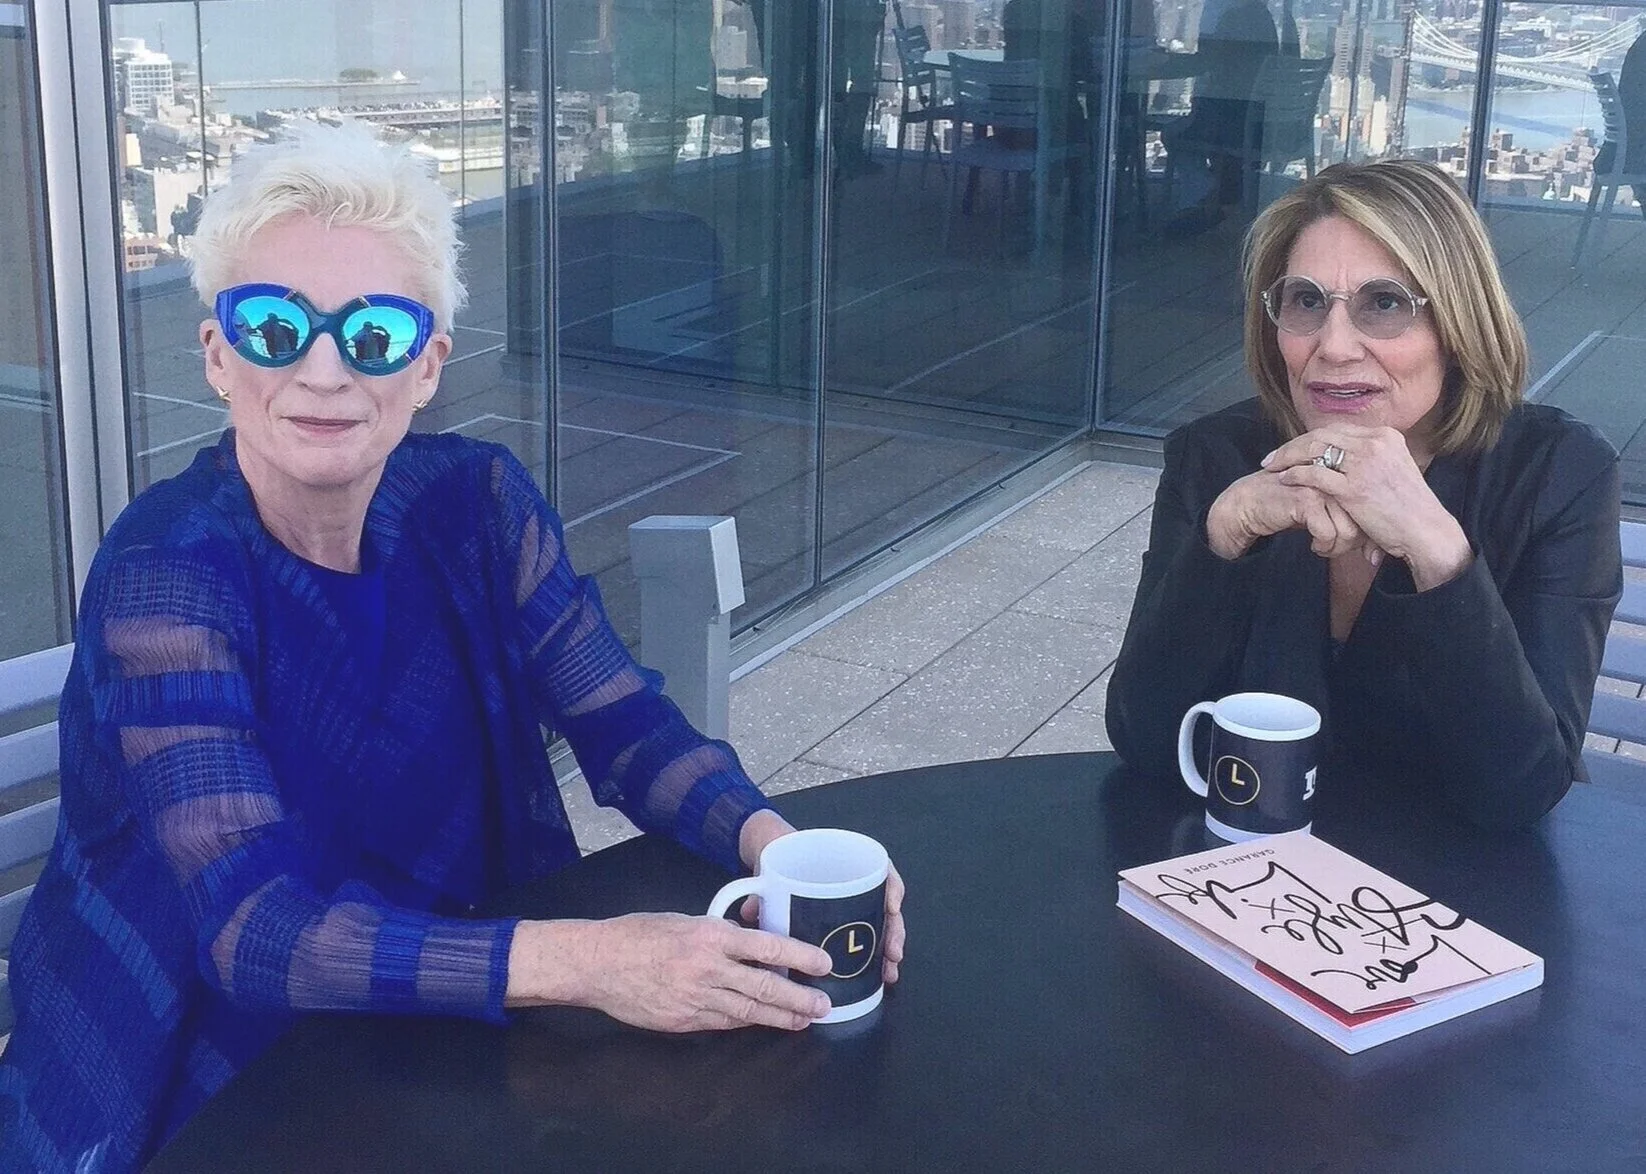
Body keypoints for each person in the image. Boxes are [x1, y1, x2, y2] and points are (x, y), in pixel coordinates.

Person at [0, 121, 906, 1172]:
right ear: (217, 356)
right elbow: (254, 931)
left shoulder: (475, 505)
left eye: (376, 332)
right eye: (273, 326)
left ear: (427, 365)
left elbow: (625, 726)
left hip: (446, 996)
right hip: (198, 1057)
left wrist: (773, 846)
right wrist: (596, 962)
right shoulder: (167, 571)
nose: (324, 371)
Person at [1105, 158, 1622, 830]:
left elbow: (1522, 789)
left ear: (1458, 323)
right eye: (1306, 301)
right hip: (1257, 864)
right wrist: (1222, 542)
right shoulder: (1216, 457)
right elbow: (1146, 742)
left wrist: (1439, 555)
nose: (1335, 346)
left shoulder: (1557, 472)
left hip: (1459, 873)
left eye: (1384, 303)